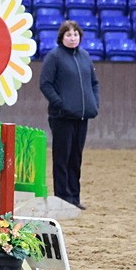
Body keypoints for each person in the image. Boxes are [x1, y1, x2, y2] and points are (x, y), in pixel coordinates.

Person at [39, 19, 99, 209]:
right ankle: (62, 198)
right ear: (62, 37)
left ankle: (74, 197)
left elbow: (94, 83)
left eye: (75, 34)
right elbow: (45, 84)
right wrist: (60, 104)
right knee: (62, 158)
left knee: (76, 158)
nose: (72, 38)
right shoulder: (54, 57)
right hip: (61, 117)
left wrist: (93, 103)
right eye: (68, 35)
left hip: (82, 116)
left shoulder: (85, 57)